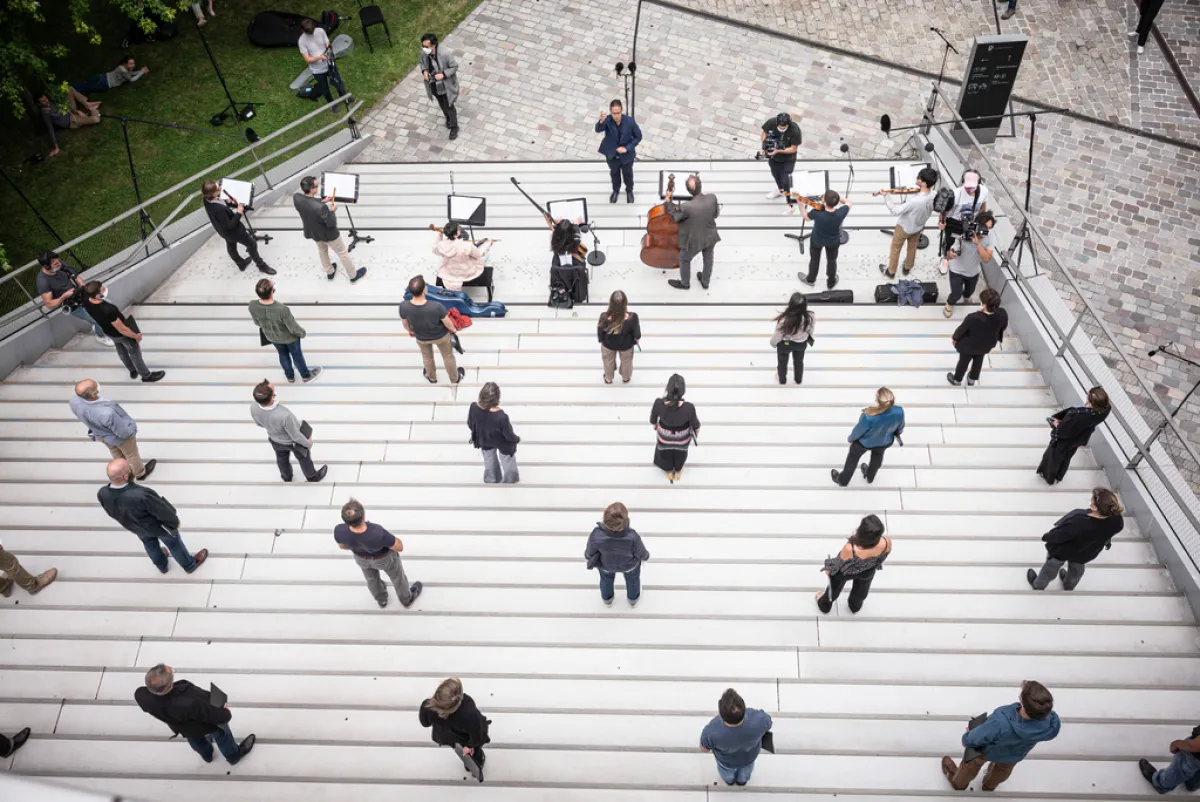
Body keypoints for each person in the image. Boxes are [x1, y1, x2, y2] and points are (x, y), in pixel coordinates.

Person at [941, 680, 1060, 791]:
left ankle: (959, 784)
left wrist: (966, 738)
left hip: (987, 750)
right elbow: (1051, 730)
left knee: (971, 765)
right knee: (1003, 770)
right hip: (1013, 755)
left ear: (1023, 704)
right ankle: (989, 786)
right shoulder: (1050, 725)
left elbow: (978, 736)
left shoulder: (1001, 722)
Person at [98, 458, 208, 574]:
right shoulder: (142, 494)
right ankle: (189, 565)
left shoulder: (102, 493)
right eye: (129, 469)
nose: (131, 470)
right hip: (160, 528)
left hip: (136, 528)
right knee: (174, 543)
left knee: (150, 544)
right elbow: (162, 511)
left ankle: (162, 566)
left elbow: (111, 512)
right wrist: (174, 522)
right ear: (125, 477)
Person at [134, 664, 256, 765]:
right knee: (222, 735)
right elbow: (217, 715)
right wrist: (226, 712)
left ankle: (207, 755)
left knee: (195, 739)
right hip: (205, 724)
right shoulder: (189, 700)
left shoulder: (141, 695)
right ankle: (233, 756)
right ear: (170, 685)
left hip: (183, 727)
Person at [1027, 488, 1124, 590]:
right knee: (1076, 570)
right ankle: (1068, 585)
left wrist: (1047, 537)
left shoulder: (1079, 522)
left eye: (1092, 500)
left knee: (1050, 568)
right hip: (1086, 553)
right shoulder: (1117, 521)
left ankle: (1038, 585)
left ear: (1095, 508)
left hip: (1062, 552)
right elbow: (1107, 534)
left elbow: (1060, 535)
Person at [334, 498, 423, 608]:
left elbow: (343, 546)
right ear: (363, 517)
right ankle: (406, 599)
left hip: (361, 559)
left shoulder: (339, 531)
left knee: (371, 579)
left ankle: (382, 600)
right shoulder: (377, 532)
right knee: (397, 578)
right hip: (384, 559)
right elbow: (399, 547)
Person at [70, 378, 156, 480]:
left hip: (101, 435)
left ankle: (124, 470)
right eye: (95, 386)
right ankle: (140, 473)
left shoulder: (74, 401)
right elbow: (124, 433)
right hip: (117, 436)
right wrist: (132, 430)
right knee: (132, 454)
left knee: (115, 451)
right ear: (93, 395)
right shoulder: (106, 413)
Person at [82, 281, 166, 383]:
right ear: (97, 296)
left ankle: (132, 370)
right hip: (121, 335)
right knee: (135, 354)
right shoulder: (109, 309)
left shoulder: (86, 301)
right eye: (102, 288)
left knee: (121, 351)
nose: (104, 288)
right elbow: (122, 329)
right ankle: (146, 376)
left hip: (108, 332)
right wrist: (135, 336)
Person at [250, 379, 328, 483]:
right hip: (292, 442)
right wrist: (308, 443)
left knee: (282, 460)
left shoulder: (253, 407)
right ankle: (312, 477)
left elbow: (259, 423)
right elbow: (295, 435)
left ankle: (287, 477)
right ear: (272, 398)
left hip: (274, 439)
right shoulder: (284, 415)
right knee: (304, 458)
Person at [293, 175, 366, 282]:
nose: (318, 188)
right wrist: (332, 211)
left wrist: (322, 200)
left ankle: (330, 271)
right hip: (328, 235)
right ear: (312, 189)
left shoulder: (297, 198)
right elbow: (331, 223)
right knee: (342, 253)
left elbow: (310, 203)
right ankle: (353, 275)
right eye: (316, 186)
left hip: (314, 233)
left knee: (322, 250)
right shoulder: (321, 208)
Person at [249, 279, 323, 384]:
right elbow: (293, 328)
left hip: (271, 337)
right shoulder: (282, 309)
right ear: (271, 291)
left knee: (283, 355)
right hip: (290, 338)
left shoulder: (252, 305)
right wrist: (302, 333)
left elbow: (257, 323)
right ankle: (306, 376)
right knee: (297, 356)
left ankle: (290, 377)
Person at [816, 515, 891, 613]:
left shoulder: (850, 549)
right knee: (861, 590)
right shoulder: (886, 542)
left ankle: (825, 605)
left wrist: (828, 570)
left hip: (847, 572)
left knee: (834, 587)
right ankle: (855, 606)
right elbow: (883, 556)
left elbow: (838, 564)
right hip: (868, 570)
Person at [1037, 386, 1111, 485]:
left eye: (1088, 394)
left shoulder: (1076, 415)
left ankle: (1049, 476)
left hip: (1065, 440)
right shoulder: (1105, 409)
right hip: (1078, 438)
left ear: (1091, 402)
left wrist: (1055, 424)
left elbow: (1061, 431)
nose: (1087, 393)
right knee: (1067, 457)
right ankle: (1059, 476)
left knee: (1053, 457)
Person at [699, 688, 773, 787]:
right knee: (746, 773)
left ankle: (729, 782)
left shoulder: (711, 731)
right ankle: (742, 782)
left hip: (726, 761)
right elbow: (769, 723)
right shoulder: (759, 719)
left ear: (721, 713)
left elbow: (704, 749)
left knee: (727, 774)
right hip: (749, 757)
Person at [36, 250, 111, 345]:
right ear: (47, 266)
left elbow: (75, 276)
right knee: (98, 319)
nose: (59, 263)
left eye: (58, 261)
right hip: (72, 305)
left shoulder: (58, 264)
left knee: (107, 305)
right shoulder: (43, 281)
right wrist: (64, 296)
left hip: (79, 294)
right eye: (55, 263)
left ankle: (96, 325)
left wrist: (88, 291)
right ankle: (100, 336)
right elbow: (49, 304)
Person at [832, 387, 905, 486]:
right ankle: (870, 476)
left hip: (864, 443)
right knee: (877, 458)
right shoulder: (899, 411)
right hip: (885, 441)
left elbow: (858, 431)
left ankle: (843, 480)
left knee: (852, 459)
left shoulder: (868, 416)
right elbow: (900, 426)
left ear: (877, 401)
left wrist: (851, 439)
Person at [875, 166, 940, 277]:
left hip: (904, 227)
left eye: (919, 177)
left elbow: (895, 211)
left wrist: (886, 196)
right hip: (919, 226)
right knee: (912, 247)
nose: (916, 178)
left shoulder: (915, 201)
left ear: (924, 183)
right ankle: (907, 267)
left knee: (895, 249)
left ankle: (891, 271)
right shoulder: (933, 194)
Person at [399, 275, 463, 384]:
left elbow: (405, 324)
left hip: (421, 337)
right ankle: (454, 378)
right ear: (425, 289)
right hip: (441, 336)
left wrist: (411, 331)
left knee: (427, 357)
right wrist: (453, 330)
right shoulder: (436, 306)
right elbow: (447, 323)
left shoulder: (404, 306)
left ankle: (432, 377)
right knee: (448, 356)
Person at [202, 180, 275, 275]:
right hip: (234, 232)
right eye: (218, 188)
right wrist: (239, 212)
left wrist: (227, 202)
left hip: (223, 231)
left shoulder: (207, 199)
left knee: (231, 246)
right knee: (252, 245)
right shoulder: (218, 209)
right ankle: (261, 266)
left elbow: (220, 205)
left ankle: (241, 264)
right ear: (213, 192)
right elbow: (230, 225)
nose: (221, 188)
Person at [419, 678, 491, 774]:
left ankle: (471, 762)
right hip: (465, 739)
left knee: (458, 748)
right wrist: (469, 746)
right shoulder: (469, 711)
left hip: (446, 736)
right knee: (473, 753)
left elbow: (425, 723)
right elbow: (476, 735)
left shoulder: (427, 705)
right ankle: (476, 763)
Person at [585, 501, 649, 606]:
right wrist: (645, 556)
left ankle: (607, 599)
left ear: (604, 518)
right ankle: (632, 599)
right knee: (633, 581)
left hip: (606, 565)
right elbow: (641, 553)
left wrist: (588, 556)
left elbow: (589, 552)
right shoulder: (633, 537)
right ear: (625, 519)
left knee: (606, 581)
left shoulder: (596, 535)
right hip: (630, 566)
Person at [665, 175, 721, 291]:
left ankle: (685, 283)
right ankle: (705, 282)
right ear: (700, 186)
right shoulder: (712, 198)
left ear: (689, 191)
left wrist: (668, 201)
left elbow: (674, 216)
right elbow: (715, 214)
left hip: (694, 240)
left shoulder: (687, 207)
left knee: (684, 258)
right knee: (708, 258)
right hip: (710, 235)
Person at [947, 287, 1007, 386]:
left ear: (984, 304)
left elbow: (961, 330)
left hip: (968, 347)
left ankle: (957, 380)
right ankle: (972, 379)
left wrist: (955, 338)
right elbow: (1003, 327)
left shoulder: (973, 318)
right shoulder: (1002, 314)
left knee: (963, 363)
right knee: (978, 361)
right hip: (985, 346)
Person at [942, 211, 996, 319]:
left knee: (969, 291)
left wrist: (978, 243)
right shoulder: (963, 232)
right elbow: (947, 255)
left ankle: (966, 297)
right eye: (984, 226)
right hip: (956, 270)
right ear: (977, 224)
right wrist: (950, 254)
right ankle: (949, 303)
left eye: (989, 228)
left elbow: (986, 258)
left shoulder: (990, 237)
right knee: (956, 294)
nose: (986, 230)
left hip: (973, 272)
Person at [650, 374, 701, 483]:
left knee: (665, 454)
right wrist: (696, 431)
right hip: (682, 438)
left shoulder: (658, 403)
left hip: (664, 437)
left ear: (668, 389)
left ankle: (669, 472)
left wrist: (656, 425)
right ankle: (677, 472)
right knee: (681, 454)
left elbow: (653, 421)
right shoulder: (689, 407)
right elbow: (696, 424)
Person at [467, 382, 520, 484]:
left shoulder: (473, 407)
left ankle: (492, 479)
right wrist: (517, 439)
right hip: (502, 442)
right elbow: (509, 436)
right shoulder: (501, 416)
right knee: (508, 461)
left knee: (489, 460)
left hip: (484, 439)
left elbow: (470, 423)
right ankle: (510, 480)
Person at [939, 169, 989, 272]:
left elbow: (982, 207)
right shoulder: (956, 194)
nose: (969, 189)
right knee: (950, 241)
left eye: (972, 186)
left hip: (971, 222)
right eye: (967, 186)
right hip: (954, 223)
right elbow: (945, 211)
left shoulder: (984, 191)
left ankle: (958, 255)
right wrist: (941, 222)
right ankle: (945, 258)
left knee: (966, 242)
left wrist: (980, 221)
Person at [801, 190, 851, 290]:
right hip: (833, 242)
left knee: (814, 260)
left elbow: (806, 217)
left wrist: (800, 204)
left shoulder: (817, 212)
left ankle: (811, 280)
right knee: (832, 261)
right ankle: (831, 282)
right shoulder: (841, 213)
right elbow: (848, 202)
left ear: (824, 202)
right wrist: (835, 198)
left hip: (817, 240)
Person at [595, 98, 642, 203]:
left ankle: (629, 191)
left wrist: (627, 148)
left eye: (618, 113)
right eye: (614, 113)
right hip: (612, 155)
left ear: (622, 110)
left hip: (627, 156)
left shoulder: (629, 122)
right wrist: (601, 122)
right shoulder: (607, 120)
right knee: (614, 174)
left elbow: (638, 137)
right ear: (610, 112)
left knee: (628, 174)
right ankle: (615, 191)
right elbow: (598, 129)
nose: (616, 115)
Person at [434, 221, 494, 297]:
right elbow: (479, 254)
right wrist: (487, 245)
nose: (460, 230)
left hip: (448, 273)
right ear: (455, 235)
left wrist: (440, 235)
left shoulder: (441, 245)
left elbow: (435, 249)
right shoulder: (467, 245)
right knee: (485, 256)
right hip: (465, 272)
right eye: (459, 229)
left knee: (442, 257)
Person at [419, 33, 460, 140]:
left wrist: (443, 74)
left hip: (446, 84)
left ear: (434, 45)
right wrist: (424, 71)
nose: (424, 48)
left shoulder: (445, 54)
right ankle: (448, 118)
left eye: (426, 47)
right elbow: (422, 62)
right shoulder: (424, 53)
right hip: (434, 84)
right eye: (423, 46)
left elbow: (454, 66)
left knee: (449, 104)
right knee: (441, 103)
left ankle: (454, 127)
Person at [760, 112, 802, 213]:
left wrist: (778, 150)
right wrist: (766, 145)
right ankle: (779, 190)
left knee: (785, 181)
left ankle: (790, 204)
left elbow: (793, 148)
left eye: (784, 127)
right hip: (773, 157)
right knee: (775, 174)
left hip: (788, 159)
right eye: (780, 126)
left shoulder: (795, 130)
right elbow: (764, 133)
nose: (782, 128)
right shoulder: (771, 122)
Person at [298, 18, 346, 106]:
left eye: (312, 31)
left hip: (329, 64)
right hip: (317, 70)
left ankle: (344, 98)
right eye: (309, 33)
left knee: (338, 82)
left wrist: (328, 45)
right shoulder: (302, 41)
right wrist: (319, 57)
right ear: (303, 30)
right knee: (325, 88)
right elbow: (307, 59)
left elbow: (326, 41)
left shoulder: (320, 31)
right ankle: (332, 105)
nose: (312, 33)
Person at [38, 90, 99, 158]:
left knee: (69, 90)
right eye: (43, 101)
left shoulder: (51, 102)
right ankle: (93, 110)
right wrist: (56, 147)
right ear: (39, 104)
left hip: (70, 112)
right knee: (96, 119)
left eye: (46, 98)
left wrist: (76, 111)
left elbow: (64, 106)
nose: (46, 101)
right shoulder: (45, 113)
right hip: (72, 121)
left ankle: (87, 104)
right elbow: (50, 129)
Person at [770, 292, 815, 385]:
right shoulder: (810, 317)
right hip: (801, 343)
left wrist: (773, 343)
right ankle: (798, 379)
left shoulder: (784, 319)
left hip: (786, 344)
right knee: (799, 361)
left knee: (782, 362)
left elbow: (778, 334)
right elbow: (811, 329)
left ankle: (782, 380)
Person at [1140, 726, 1200, 793]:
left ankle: (1160, 784)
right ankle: (1193, 784)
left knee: (1179, 770)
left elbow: (1193, 746)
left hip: (1194, 754)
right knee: (1197, 777)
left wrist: (1178, 744)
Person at [597, 290, 640, 383]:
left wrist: (601, 340)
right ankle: (626, 377)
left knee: (608, 362)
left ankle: (608, 378)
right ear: (625, 303)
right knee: (627, 362)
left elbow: (600, 332)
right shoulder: (632, 317)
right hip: (626, 344)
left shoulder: (604, 316)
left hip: (608, 344)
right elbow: (637, 334)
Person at [549, 218, 589, 305]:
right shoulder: (576, 240)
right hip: (575, 267)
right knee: (582, 258)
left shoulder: (554, 240)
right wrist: (576, 224)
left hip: (559, 267)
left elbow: (557, 232)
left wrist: (560, 225)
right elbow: (576, 233)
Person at [72, 55, 149, 95]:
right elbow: (131, 79)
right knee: (87, 88)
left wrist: (140, 71)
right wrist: (141, 72)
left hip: (103, 76)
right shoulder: (123, 70)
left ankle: (70, 87)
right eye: (130, 64)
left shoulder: (124, 68)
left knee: (86, 85)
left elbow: (131, 73)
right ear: (124, 63)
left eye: (133, 63)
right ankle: (71, 91)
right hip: (105, 84)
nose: (133, 65)